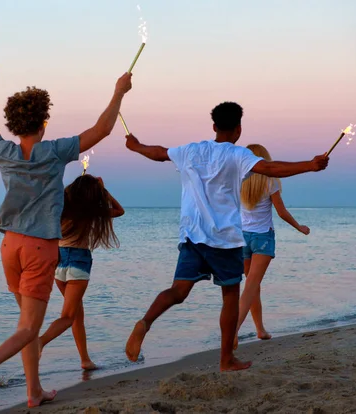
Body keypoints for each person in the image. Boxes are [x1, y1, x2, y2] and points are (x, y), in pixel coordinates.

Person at [0, 54, 132, 409]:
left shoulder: (2, 151)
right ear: (43, 121)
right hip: (40, 249)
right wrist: (119, 91)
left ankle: (34, 392)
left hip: (9, 246)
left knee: (27, 323)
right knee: (29, 328)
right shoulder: (54, 152)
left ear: (13, 123)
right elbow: (102, 130)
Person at [123, 102, 329, 371]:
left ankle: (145, 322)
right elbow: (272, 169)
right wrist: (310, 165)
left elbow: (160, 153)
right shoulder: (237, 155)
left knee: (178, 291)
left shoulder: (191, 151)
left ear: (214, 127)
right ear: (238, 129)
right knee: (230, 294)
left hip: (191, 237)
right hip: (224, 239)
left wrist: (136, 146)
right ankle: (226, 359)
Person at [38, 175, 124, 371]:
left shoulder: (60, 210)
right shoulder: (91, 211)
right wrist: (104, 191)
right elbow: (119, 211)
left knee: (76, 315)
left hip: (59, 264)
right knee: (68, 316)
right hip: (78, 262)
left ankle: (85, 360)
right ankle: (39, 342)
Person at [234, 143, 310, 349]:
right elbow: (282, 212)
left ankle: (260, 330)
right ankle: (233, 332)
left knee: (252, 286)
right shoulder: (270, 181)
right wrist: (299, 227)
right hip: (262, 238)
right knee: (251, 287)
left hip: (242, 238)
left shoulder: (238, 180)